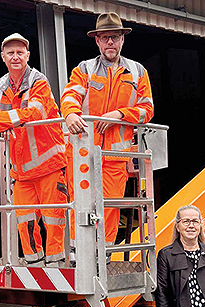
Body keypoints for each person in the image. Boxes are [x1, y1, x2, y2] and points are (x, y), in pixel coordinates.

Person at [61, 12, 154, 249]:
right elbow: (70, 94)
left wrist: (119, 115)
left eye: (114, 37)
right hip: (83, 151)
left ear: (123, 39)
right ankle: (76, 254)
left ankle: (105, 253)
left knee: (110, 207)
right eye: (105, 38)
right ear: (97, 41)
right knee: (79, 204)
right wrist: (70, 113)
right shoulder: (84, 69)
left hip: (115, 157)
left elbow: (147, 109)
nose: (110, 42)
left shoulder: (137, 72)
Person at [0, 33, 68, 266]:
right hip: (21, 171)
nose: (16, 57)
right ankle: (35, 265)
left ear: (28, 55)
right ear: (3, 57)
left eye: (20, 52)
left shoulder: (39, 81)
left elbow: (34, 113)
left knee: (53, 220)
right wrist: (0, 120)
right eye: (11, 53)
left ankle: (55, 266)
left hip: (49, 165)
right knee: (24, 221)